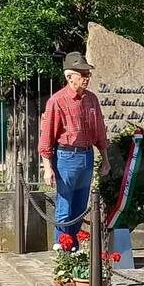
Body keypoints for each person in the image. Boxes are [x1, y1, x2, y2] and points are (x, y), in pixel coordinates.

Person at [38, 51, 111, 248]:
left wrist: (104, 158)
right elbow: (46, 138)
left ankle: (74, 248)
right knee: (64, 207)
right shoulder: (57, 101)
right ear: (69, 76)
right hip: (65, 157)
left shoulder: (92, 99)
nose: (87, 78)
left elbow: (99, 132)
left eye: (88, 74)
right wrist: (47, 167)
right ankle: (62, 250)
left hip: (86, 156)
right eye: (83, 74)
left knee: (80, 207)